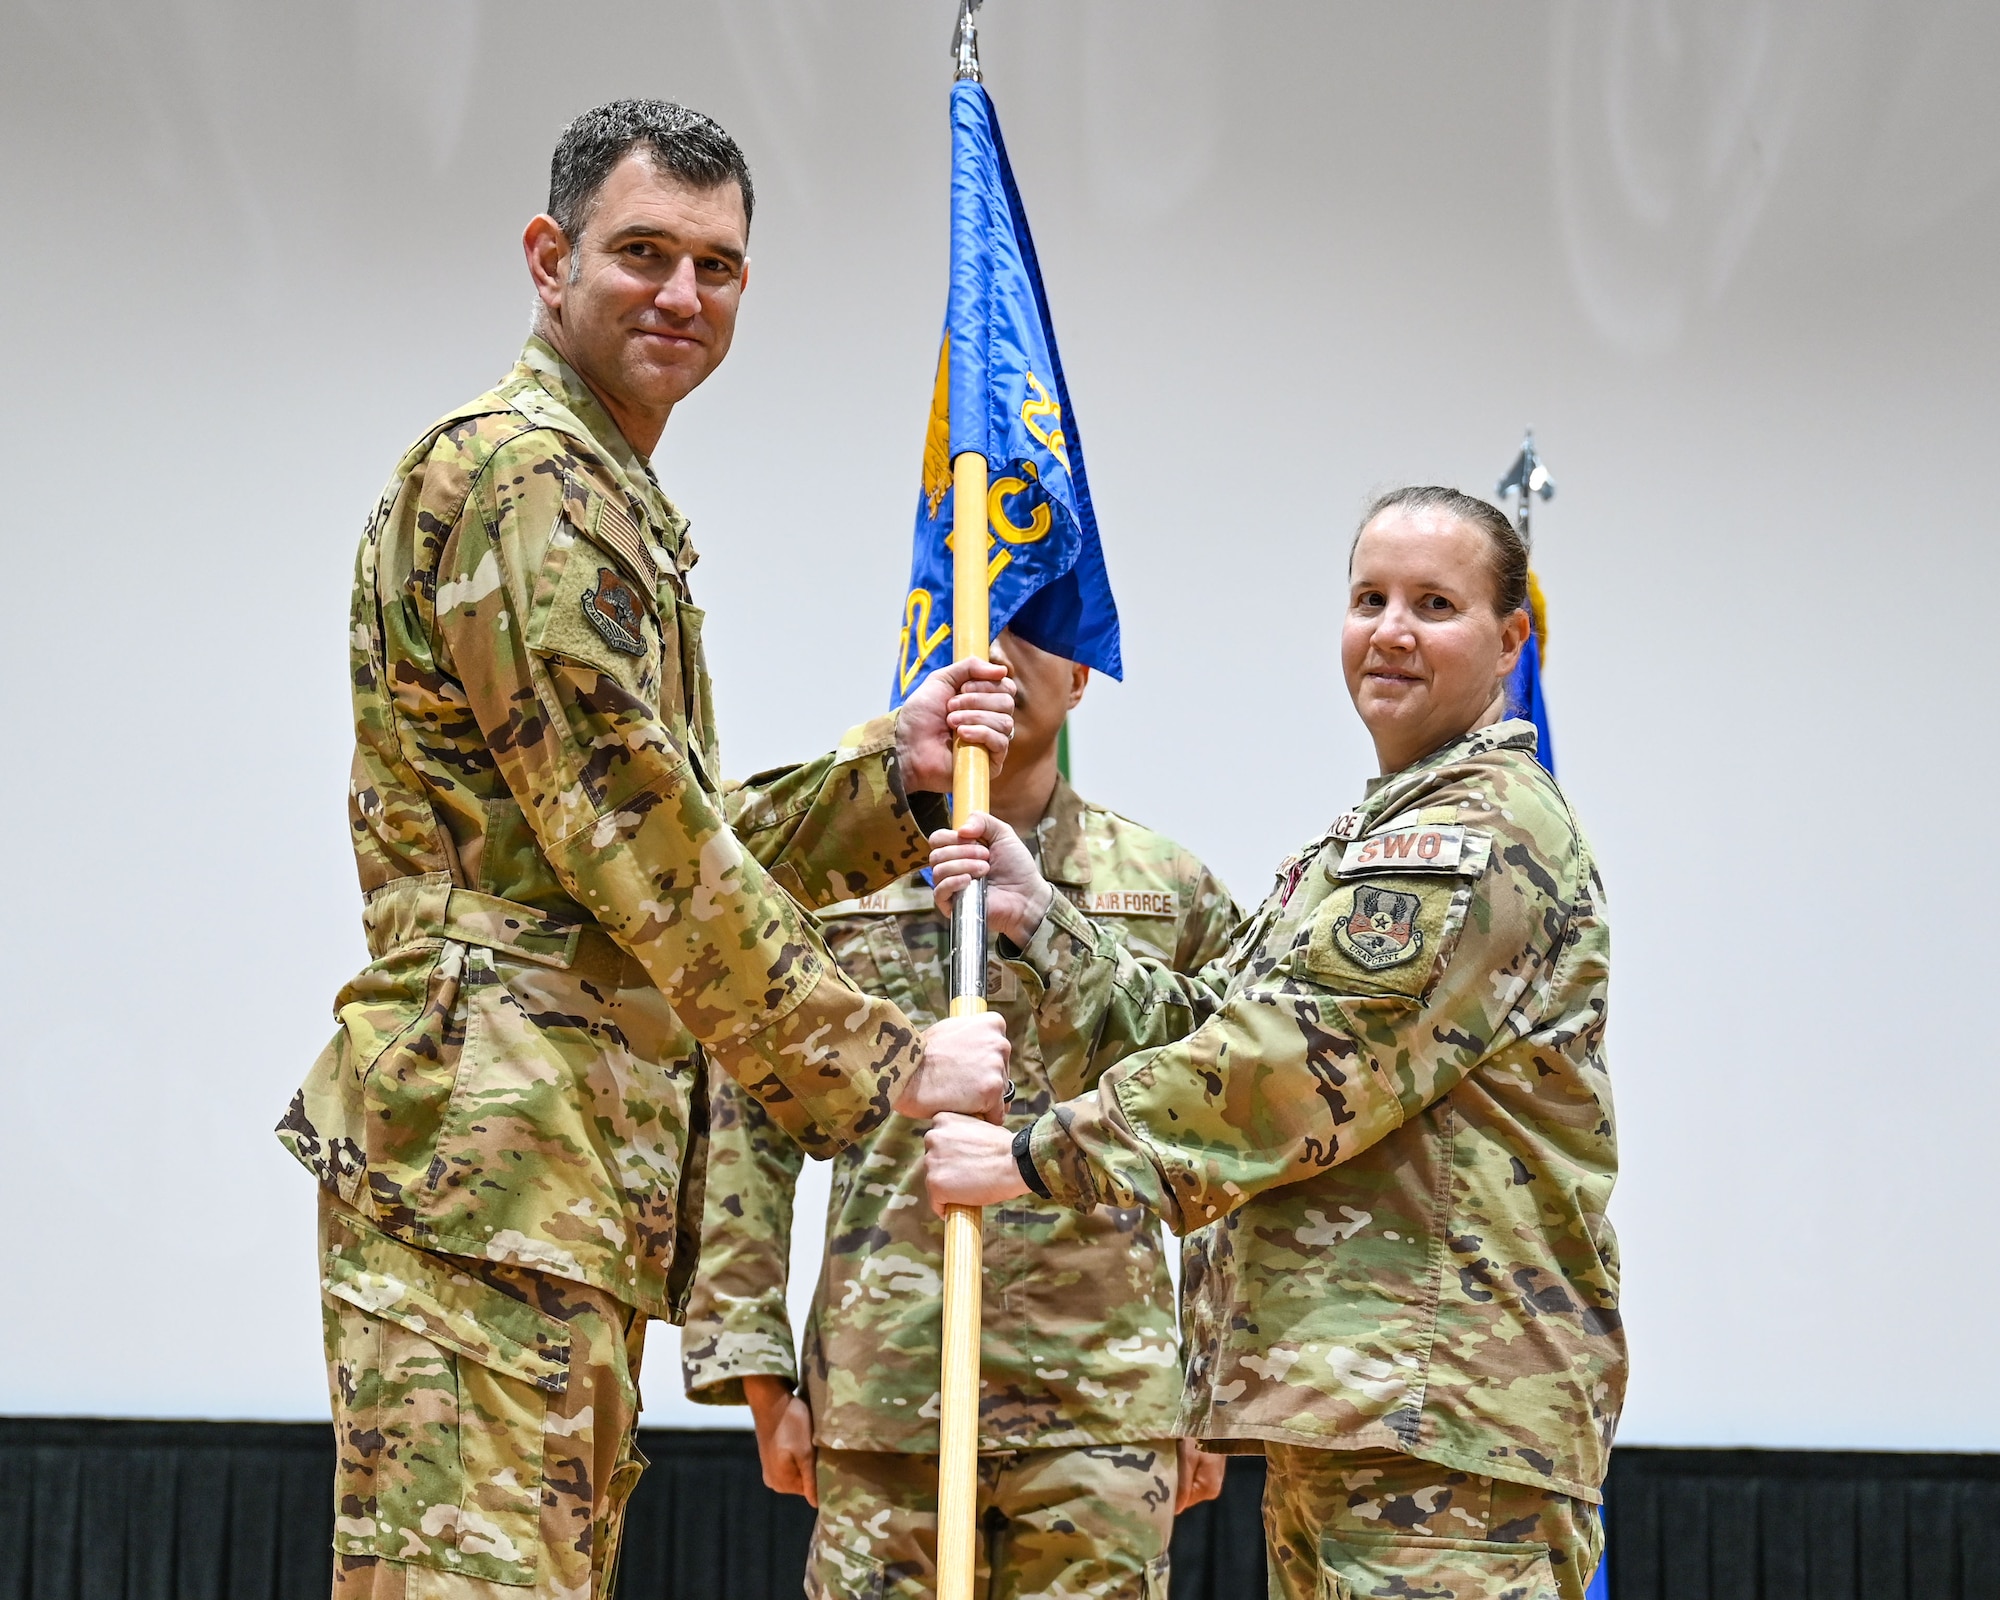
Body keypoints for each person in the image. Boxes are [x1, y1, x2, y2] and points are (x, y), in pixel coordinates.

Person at [275, 100, 1016, 1600]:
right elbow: (640, 844)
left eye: (718, 266)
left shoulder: (606, 491)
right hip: (494, 1154)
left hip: (556, 1169)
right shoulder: (529, 476)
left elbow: (652, 835)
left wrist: (896, 772)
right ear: (550, 260)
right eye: (642, 254)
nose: (683, 295)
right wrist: (888, 1064)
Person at [922, 488, 1623, 1600]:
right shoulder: (1364, 837)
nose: (1388, 630)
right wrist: (1042, 920)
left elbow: (1295, 1064)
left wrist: (1027, 1157)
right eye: (1368, 598)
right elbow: (1216, 1020)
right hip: (1357, 1412)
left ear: (1507, 640)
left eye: (1432, 603)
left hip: (1440, 1420)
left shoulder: (1474, 834)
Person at [680, 627, 1239, 1600]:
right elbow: (751, 1124)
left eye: (1035, 629)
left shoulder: (1168, 891)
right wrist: (760, 1380)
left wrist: (1216, 1385)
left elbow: (1226, 1129)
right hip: (886, 1388)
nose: (998, 648)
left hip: (1102, 1394)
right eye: (973, 619)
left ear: (1079, 674)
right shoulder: (841, 878)